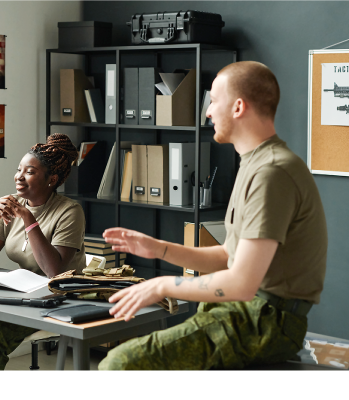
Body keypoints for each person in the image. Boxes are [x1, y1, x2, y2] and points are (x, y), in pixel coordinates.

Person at [99, 61, 327, 370]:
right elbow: (228, 256)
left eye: (213, 100)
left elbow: (242, 283)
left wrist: (162, 285)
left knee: (119, 364)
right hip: (246, 313)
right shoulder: (255, 164)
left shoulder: (271, 172)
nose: (207, 111)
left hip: (264, 323)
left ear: (237, 107)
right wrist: (158, 248)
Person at [0, 133, 85, 370]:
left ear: (51, 179)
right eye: (19, 169)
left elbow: (55, 270)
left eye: (29, 172)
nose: (19, 177)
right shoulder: (13, 203)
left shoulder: (69, 212)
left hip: (58, 300)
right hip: (24, 294)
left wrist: (29, 220)